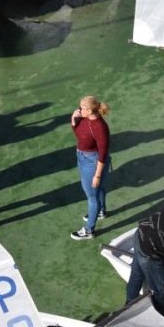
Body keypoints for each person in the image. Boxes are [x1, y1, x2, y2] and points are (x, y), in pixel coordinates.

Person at [70, 96, 111, 241]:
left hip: (93, 162)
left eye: (82, 107)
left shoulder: (100, 127)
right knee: (97, 190)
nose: (79, 109)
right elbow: (80, 136)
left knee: (92, 197)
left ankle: (89, 230)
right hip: (82, 157)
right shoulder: (84, 119)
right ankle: (100, 211)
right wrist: (73, 121)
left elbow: (103, 153)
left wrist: (97, 175)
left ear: (89, 110)